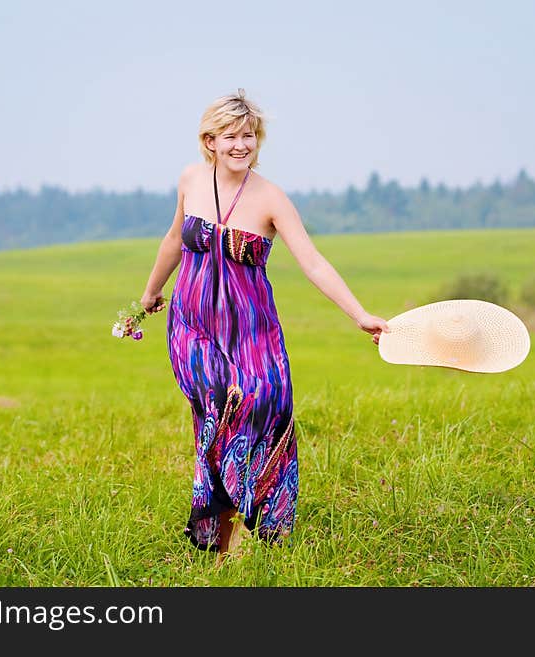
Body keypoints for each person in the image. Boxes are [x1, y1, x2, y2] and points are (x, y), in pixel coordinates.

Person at [140, 88, 389, 565]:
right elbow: (174, 239)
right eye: (230, 135)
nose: (240, 144)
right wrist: (152, 291)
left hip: (252, 329)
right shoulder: (191, 180)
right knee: (217, 418)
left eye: (248, 136)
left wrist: (360, 315)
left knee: (263, 404)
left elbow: (313, 263)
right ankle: (224, 543)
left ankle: (261, 524)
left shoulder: (271, 198)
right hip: (193, 326)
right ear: (209, 140)